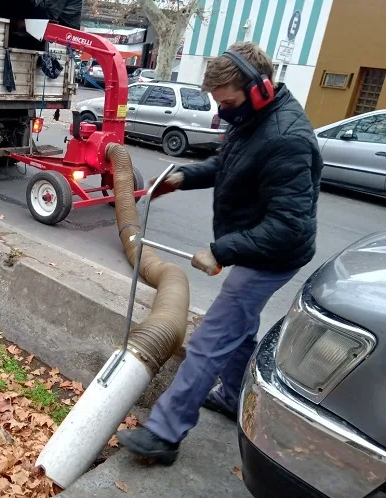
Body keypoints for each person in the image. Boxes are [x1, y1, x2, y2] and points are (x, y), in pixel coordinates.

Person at [117, 41, 323, 465]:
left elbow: (289, 227)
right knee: (241, 329)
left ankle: (165, 433)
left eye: (225, 101)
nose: (221, 108)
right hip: (255, 239)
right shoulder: (252, 118)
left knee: (213, 335)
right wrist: (184, 177)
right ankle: (234, 396)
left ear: (260, 88)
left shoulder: (286, 138)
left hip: (274, 252)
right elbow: (229, 164)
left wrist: (220, 250)